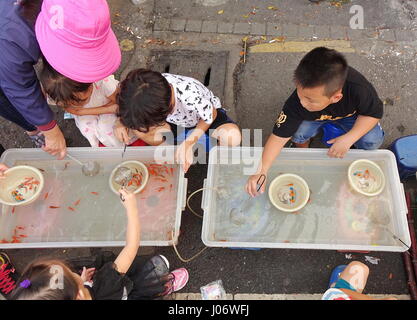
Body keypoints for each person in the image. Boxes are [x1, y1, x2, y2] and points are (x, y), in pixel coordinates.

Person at [246, 47, 384, 197]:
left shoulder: (360, 90)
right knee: (298, 132)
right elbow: (278, 137)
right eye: (300, 94)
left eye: (310, 100)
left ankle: (343, 137)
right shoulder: (297, 103)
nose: (303, 103)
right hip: (314, 118)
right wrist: (262, 171)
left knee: (373, 141)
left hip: (351, 117)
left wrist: (349, 139)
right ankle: (302, 149)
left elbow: (373, 113)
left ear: (336, 97)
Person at [9, 188, 189, 300]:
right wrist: (132, 209)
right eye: (72, 274)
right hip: (123, 292)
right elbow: (131, 247)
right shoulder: (105, 284)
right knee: (150, 275)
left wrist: (82, 281)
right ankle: (161, 287)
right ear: (78, 295)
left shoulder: (80, 292)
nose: (74, 271)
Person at [0, 0, 122, 159]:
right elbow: (19, 88)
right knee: (6, 94)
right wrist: (49, 130)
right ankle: (33, 128)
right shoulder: (11, 37)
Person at [114, 69, 242, 172]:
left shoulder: (191, 96)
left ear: (165, 110)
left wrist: (190, 142)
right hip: (175, 122)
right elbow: (129, 105)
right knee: (140, 130)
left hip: (203, 119)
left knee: (232, 137)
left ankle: (208, 152)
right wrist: (121, 121)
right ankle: (176, 149)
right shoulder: (142, 89)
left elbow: (211, 115)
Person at [40, 59, 137, 148]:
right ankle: (102, 147)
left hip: (111, 104)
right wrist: (105, 109)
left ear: (90, 83)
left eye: (84, 99)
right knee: (88, 131)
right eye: (73, 103)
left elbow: (120, 101)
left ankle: (123, 145)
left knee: (107, 130)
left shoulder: (103, 83)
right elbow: (75, 110)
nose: (80, 104)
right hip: (93, 111)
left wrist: (118, 120)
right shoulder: (58, 94)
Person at [323, 261, 397, 300]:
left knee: (358, 268)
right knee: (359, 268)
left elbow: (340, 292)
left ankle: (335, 287)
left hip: (338, 296)